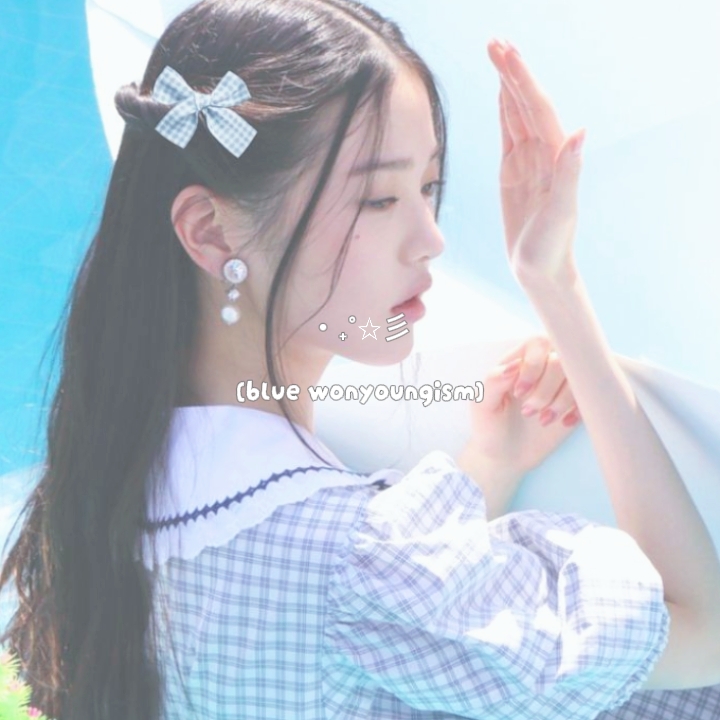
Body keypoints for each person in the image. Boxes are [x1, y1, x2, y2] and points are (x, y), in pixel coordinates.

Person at [1, 0, 719, 718]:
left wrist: (491, 463)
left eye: (428, 187)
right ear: (211, 231)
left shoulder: (100, 516)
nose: (430, 238)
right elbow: (701, 630)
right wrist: (556, 285)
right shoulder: (361, 564)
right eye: (378, 199)